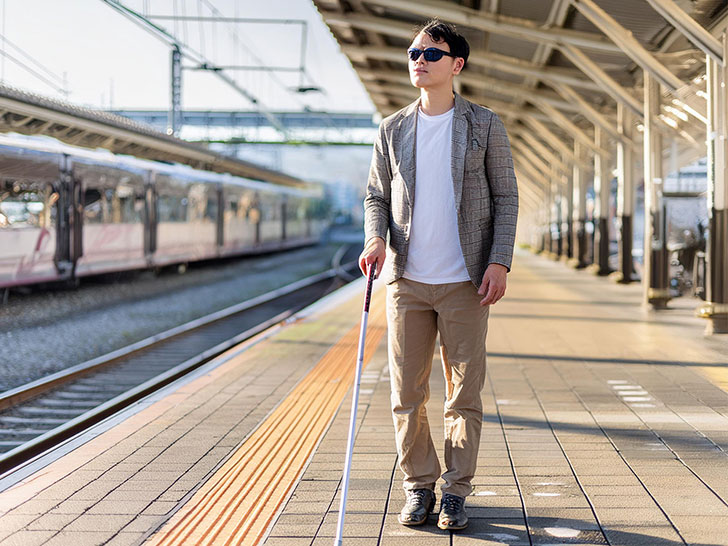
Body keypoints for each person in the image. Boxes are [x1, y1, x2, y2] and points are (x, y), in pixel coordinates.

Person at [358, 18, 518, 531]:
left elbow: (506, 196)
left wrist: (499, 260)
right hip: (406, 281)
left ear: (456, 64)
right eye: (413, 53)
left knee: (463, 393)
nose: (418, 61)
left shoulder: (484, 124)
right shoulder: (392, 128)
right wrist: (374, 238)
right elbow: (376, 196)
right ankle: (418, 486)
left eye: (430, 53)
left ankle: (456, 491)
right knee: (406, 393)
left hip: (465, 282)